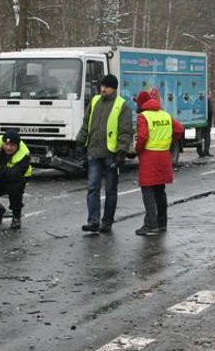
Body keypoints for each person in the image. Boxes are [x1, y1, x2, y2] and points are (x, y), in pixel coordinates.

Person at [77, 74, 133, 233]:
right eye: (102, 86)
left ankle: (107, 221)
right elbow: (86, 124)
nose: (103, 89)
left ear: (114, 88)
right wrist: (79, 142)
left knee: (110, 190)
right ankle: (93, 220)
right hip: (94, 152)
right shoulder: (94, 101)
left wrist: (122, 151)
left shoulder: (122, 106)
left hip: (111, 154)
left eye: (106, 86)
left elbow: (125, 131)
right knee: (92, 188)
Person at [134, 89, 184, 236]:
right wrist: (169, 141)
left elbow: (142, 136)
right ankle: (162, 222)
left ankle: (151, 224)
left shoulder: (143, 116)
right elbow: (179, 129)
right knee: (160, 190)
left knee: (147, 190)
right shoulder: (165, 115)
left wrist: (138, 149)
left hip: (149, 157)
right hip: (164, 156)